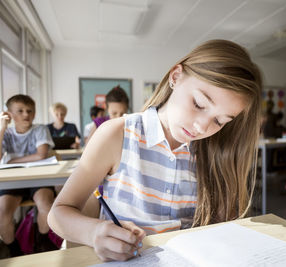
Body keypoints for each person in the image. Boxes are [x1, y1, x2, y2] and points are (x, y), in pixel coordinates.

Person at [48, 39, 262, 262]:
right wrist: (93, 232)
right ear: (175, 77)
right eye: (198, 104)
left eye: (219, 121)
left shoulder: (215, 152)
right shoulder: (117, 134)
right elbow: (58, 213)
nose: (202, 127)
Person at [0, 94, 57, 256]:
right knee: (2, 214)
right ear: (9, 114)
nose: (26, 114)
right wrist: (2, 128)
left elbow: (41, 155)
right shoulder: (7, 133)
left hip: (38, 180)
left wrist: (11, 161)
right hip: (13, 181)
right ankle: (13, 249)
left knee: (46, 206)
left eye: (29, 111)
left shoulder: (40, 129)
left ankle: (42, 239)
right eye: (20, 111)